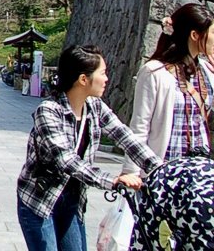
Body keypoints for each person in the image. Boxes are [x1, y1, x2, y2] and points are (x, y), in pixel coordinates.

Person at [16, 45, 161, 251]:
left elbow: (126, 137)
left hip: (72, 201)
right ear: (83, 79)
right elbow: (67, 160)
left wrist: (161, 169)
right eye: (102, 73)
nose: (107, 79)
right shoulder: (48, 112)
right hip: (39, 201)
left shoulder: (95, 107)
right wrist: (112, 180)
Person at [122, 3, 214, 174]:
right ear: (195, 35)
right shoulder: (155, 72)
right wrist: (131, 172)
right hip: (165, 172)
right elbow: (140, 126)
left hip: (200, 174)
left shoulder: (207, 71)